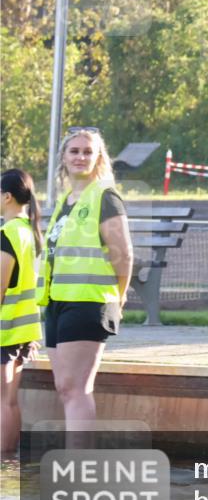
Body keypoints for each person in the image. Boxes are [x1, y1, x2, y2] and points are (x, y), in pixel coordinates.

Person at [38, 127, 133, 435]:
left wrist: (118, 298)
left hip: (88, 301)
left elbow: (124, 254)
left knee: (76, 388)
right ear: (63, 158)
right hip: (57, 302)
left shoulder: (104, 196)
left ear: (99, 158)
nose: (81, 156)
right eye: (74, 151)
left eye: (88, 151)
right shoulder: (67, 200)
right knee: (64, 387)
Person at [1, 169, 44, 455]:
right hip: (25, 330)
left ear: (6, 197)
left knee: (2, 401)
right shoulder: (29, 231)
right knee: (9, 400)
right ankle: (10, 464)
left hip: (4, 331)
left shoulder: (7, 233)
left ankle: (2, 464)